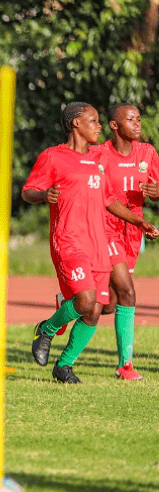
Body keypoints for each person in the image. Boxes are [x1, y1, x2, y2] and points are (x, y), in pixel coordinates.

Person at [22, 102, 159, 384]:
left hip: (107, 240)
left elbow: (110, 199)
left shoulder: (107, 160)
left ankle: (64, 365)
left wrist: (139, 221)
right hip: (79, 238)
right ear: (76, 124)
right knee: (104, 297)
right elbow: (29, 190)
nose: (98, 126)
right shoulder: (64, 155)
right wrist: (43, 194)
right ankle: (50, 331)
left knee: (99, 308)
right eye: (94, 121)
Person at [96, 103, 159, 380]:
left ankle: (69, 302)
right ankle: (126, 366)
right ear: (114, 125)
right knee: (129, 292)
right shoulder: (98, 154)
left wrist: (157, 192)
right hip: (105, 228)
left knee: (108, 303)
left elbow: (156, 191)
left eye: (139, 119)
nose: (138, 124)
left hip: (133, 231)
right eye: (130, 119)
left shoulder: (147, 153)